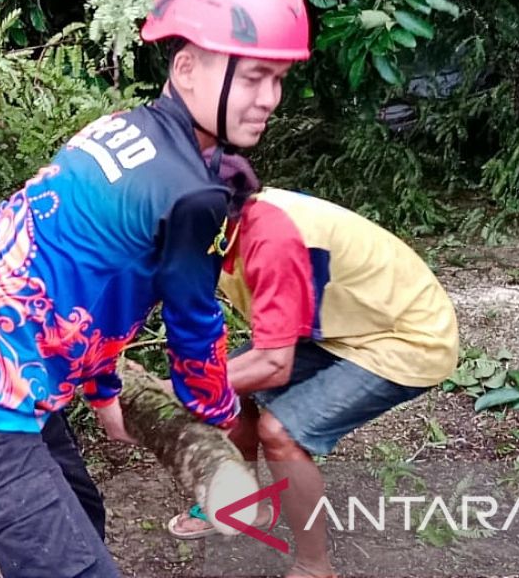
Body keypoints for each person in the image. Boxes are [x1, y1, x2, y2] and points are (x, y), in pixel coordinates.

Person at [0, 0, 312, 578]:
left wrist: (105, 390)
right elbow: (195, 334)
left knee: (83, 515)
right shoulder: (190, 193)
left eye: (278, 79)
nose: (269, 98)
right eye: (253, 77)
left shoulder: (119, 129)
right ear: (188, 67)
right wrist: (224, 425)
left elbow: (84, 277)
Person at [164, 186, 460, 578]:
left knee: (279, 431)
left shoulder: (270, 238)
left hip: (404, 336)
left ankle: (314, 567)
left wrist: (177, 387)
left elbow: (274, 363)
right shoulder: (211, 230)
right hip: (335, 327)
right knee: (229, 384)